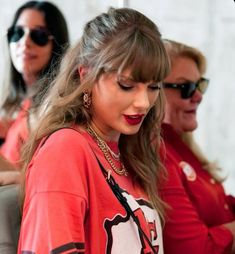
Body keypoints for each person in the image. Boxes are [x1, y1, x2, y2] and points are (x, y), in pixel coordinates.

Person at [18, 7, 170, 253]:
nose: (143, 102)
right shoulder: (65, 150)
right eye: (126, 85)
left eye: (153, 87)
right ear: (86, 75)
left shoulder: (129, 153)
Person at [0, 1, 69, 253]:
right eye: (17, 33)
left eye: (38, 36)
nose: (24, 42)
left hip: (24, 227)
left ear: (56, 45)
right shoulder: (18, 106)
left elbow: (54, 180)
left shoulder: (56, 106)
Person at [160, 39, 235, 254]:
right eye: (186, 87)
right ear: (151, 89)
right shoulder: (158, 154)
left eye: (200, 84)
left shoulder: (179, 145)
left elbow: (221, 205)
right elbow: (195, 248)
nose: (199, 96)